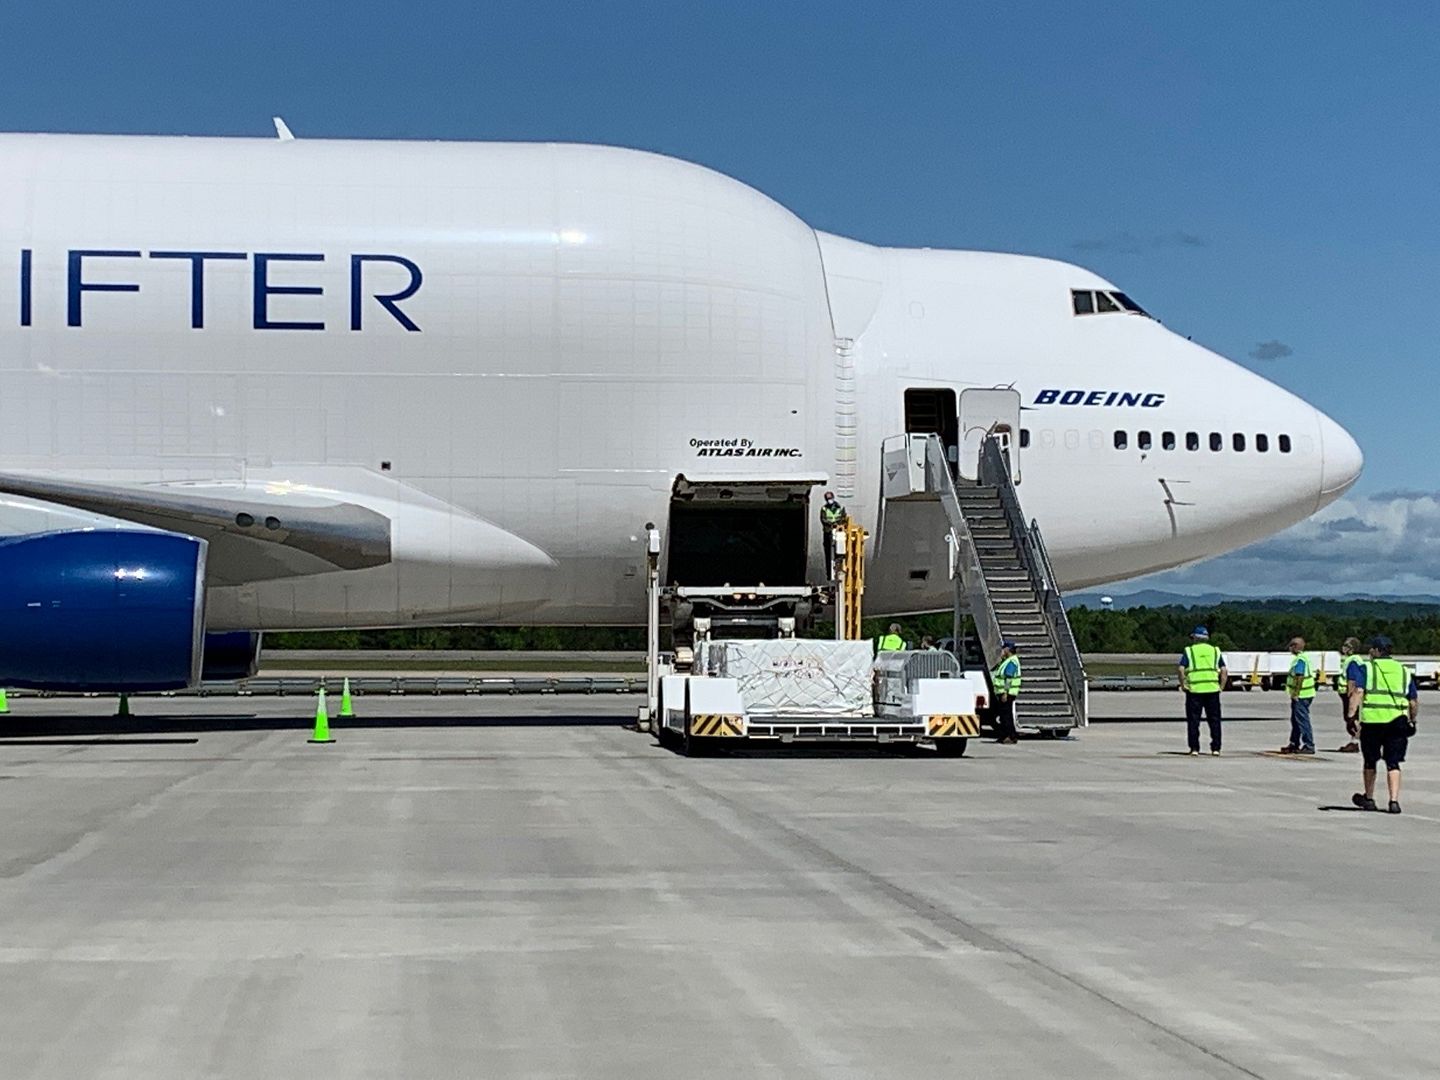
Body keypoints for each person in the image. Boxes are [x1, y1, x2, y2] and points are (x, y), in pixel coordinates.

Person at [1348, 635, 1418, 814]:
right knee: (1393, 762)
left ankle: (1369, 797)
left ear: (1377, 651)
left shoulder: (1368, 669)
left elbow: (1358, 692)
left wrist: (1351, 716)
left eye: (1372, 649)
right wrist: (1412, 719)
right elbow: (1413, 700)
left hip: (1373, 721)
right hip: (1397, 721)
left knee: (1370, 760)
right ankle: (1393, 801)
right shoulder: (1403, 671)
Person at [1178, 626, 1226, 755]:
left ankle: (1194, 748)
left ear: (1195, 638)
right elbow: (1224, 670)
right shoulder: (1215, 651)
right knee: (1215, 720)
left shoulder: (1189, 651)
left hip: (1194, 691)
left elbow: (1181, 669)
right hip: (1212, 690)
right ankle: (1216, 748)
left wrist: (1183, 684)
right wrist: (1221, 686)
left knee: (1194, 721)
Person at [1280, 636, 1317, 755]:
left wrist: (1296, 692)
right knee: (1295, 720)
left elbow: (1299, 676)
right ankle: (1294, 743)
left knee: (1302, 720)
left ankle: (1308, 744)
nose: (1290, 649)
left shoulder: (1300, 660)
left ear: (1295, 646)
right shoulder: (1304, 658)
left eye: (1291, 646)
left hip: (1302, 695)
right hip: (1305, 693)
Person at [1334, 636, 1363, 753]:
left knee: (1352, 718)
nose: (1343, 648)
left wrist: (1350, 694)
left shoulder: (1352, 661)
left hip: (1350, 694)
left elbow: (1352, 679)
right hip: (1348, 693)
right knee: (1353, 718)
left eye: (1346, 646)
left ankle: (1355, 742)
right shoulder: (1354, 660)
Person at [990, 640, 1021, 744]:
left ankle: (1010, 736)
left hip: (1007, 693)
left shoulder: (1012, 661)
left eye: (1004, 649)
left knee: (1006, 716)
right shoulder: (1007, 660)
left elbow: (1008, 678)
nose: (1002, 650)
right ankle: (1004, 736)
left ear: (1008, 650)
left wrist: (1005, 692)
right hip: (1004, 692)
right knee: (1003, 716)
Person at [819, 491, 848, 578]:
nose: (829, 500)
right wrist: (831, 524)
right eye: (828, 499)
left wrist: (837, 524)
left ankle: (839, 570)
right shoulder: (824, 508)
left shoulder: (840, 507)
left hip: (838, 531)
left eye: (830, 498)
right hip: (828, 531)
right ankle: (829, 574)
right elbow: (823, 519)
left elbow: (843, 517)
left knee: (839, 552)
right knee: (828, 552)